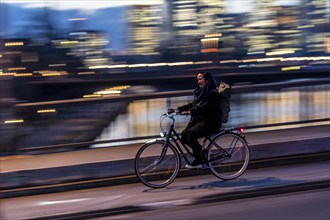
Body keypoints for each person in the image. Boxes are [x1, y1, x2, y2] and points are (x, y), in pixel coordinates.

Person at [169, 72, 222, 168]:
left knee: (191, 134)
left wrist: (189, 112)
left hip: (211, 122)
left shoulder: (213, 93)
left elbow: (204, 108)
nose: (198, 82)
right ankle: (203, 154)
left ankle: (198, 160)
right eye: (198, 79)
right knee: (184, 136)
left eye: (200, 79)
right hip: (201, 120)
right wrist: (178, 109)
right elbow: (192, 105)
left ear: (207, 80)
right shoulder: (201, 92)